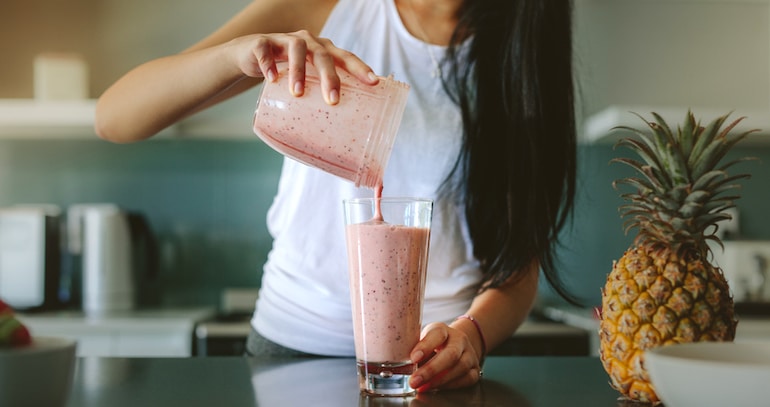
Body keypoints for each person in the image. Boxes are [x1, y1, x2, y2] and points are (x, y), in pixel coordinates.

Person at [95, 0, 578, 392]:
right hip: (288, 354)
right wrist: (237, 55)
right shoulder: (329, 10)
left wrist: (471, 335)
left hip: (429, 370)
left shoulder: (523, 56)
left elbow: (519, 267)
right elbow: (116, 117)